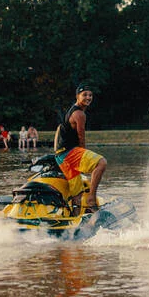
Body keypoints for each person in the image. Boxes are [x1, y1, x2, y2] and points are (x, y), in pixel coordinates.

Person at [54, 84, 107, 213]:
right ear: (77, 96)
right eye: (85, 95)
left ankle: (75, 218)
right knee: (101, 163)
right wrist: (84, 154)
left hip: (60, 156)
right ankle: (91, 200)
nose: (88, 97)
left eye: (90, 95)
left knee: (77, 192)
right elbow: (81, 137)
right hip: (68, 153)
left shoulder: (72, 111)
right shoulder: (79, 114)